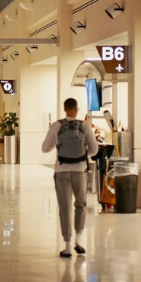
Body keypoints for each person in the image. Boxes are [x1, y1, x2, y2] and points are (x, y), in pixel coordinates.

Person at [41, 98, 99, 258]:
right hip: (80, 170)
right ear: (76, 109)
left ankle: (67, 246)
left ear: (65, 108)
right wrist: (81, 155)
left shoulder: (57, 126)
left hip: (61, 171)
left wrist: (57, 146)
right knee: (80, 204)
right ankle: (79, 240)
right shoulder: (85, 126)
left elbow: (45, 148)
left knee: (65, 206)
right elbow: (94, 150)